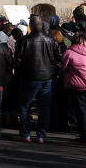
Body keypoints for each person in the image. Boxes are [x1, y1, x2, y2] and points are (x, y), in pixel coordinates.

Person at [14, 15, 61, 143]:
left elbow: (17, 61)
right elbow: (59, 58)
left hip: (30, 76)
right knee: (44, 107)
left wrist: (18, 74)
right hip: (47, 77)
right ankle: (41, 135)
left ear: (31, 26)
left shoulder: (24, 41)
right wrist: (54, 71)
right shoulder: (51, 40)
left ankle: (26, 134)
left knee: (25, 105)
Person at [61, 32, 86, 143]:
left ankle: (85, 136)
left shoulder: (69, 53)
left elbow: (63, 67)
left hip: (77, 86)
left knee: (81, 111)